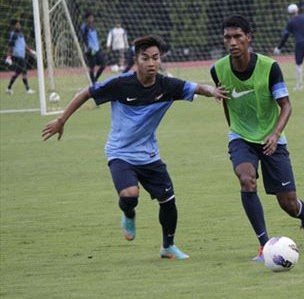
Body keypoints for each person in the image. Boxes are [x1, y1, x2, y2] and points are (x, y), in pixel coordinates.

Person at [42, 35, 228, 260]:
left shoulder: (167, 85)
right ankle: (128, 214)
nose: (151, 63)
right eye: (145, 58)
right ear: (136, 59)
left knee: (168, 201)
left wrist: (214, 92)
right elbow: (85, 93)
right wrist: (62, 120)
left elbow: (197, 87)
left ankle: (167, 246)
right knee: (130, 195)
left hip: (149, 155)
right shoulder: (120, 84)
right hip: (120, 152)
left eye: (155, 58)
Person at [210, 15, 304, 261]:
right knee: (246, 179)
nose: (232, 42)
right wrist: (235, 132)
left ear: (249, 38)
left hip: (272, 138)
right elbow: (226, 102)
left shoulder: (269, 67)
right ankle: (264, 245)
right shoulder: (217, 69)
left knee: (288, 203)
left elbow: (286, 105)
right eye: (227, 37)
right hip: (241, 137)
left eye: (238, 36)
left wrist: (275, 134)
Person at [274, 3, 304, 91]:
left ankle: (299, 86)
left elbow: (285, 35)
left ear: (289, 12)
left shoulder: (291, 22)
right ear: (297, 10)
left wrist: (279, 47)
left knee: (298, 65)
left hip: (300, 45)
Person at [5, 19, 36, 95]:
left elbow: (24, 44)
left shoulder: (21, 33)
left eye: (19, 24)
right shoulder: (14, 34)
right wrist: (8, 56)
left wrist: (30, 51)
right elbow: (10, 46)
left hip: (22, 55)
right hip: (17, 56)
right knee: (24, 71)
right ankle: (27, 90)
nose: (19, 26)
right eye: (17, 24)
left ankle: (8, 88)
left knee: (18, 72)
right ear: (13, 26)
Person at [81, 12, 106, 84]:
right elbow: (84, 38)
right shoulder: (85, 27)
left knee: (103, 64)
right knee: (92, 67)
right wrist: (89, 47)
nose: (92, 19)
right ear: (87, 19)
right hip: (90, 50)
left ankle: (95, 79)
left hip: (96, 49)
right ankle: (93, 82)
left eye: (92, 17)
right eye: (90, 17)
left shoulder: (93, 26)